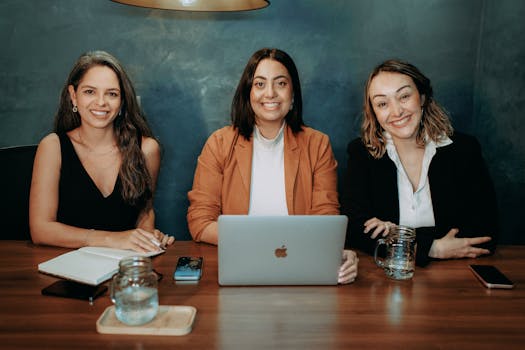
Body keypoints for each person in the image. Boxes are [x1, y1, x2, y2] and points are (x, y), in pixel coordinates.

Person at [187, 48, 358, 284]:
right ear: (248, 92)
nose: (270, 93)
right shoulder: (219, 143)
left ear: (293, 93)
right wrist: (261, 242)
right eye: (259, 84)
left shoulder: (318, 144)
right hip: (238, 265)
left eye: (280, 83)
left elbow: (326, 219)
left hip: (301, 266)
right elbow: (200, 221)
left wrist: (332, 252)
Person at [341, 59, 498, 267]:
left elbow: (484, 230)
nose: (396, 111)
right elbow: (354, 230)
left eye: (404, 96)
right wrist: (433, 247)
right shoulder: (362, 154)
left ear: (422, 97)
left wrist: (396, 233)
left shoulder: (463, 150)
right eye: (382, 103)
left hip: (456, 277)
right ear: (374, 113)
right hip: (389, 275)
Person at [30, 50, 174, 252]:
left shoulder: (147, 149)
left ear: (122, 101)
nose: (101, 102)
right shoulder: (52, 147)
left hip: (121, 267)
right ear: (73, 96)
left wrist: (146, 238)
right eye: (90, 91)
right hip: (65, 266)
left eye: (112, 94)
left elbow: (145, 212)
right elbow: (40, 229)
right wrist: (111, 239)